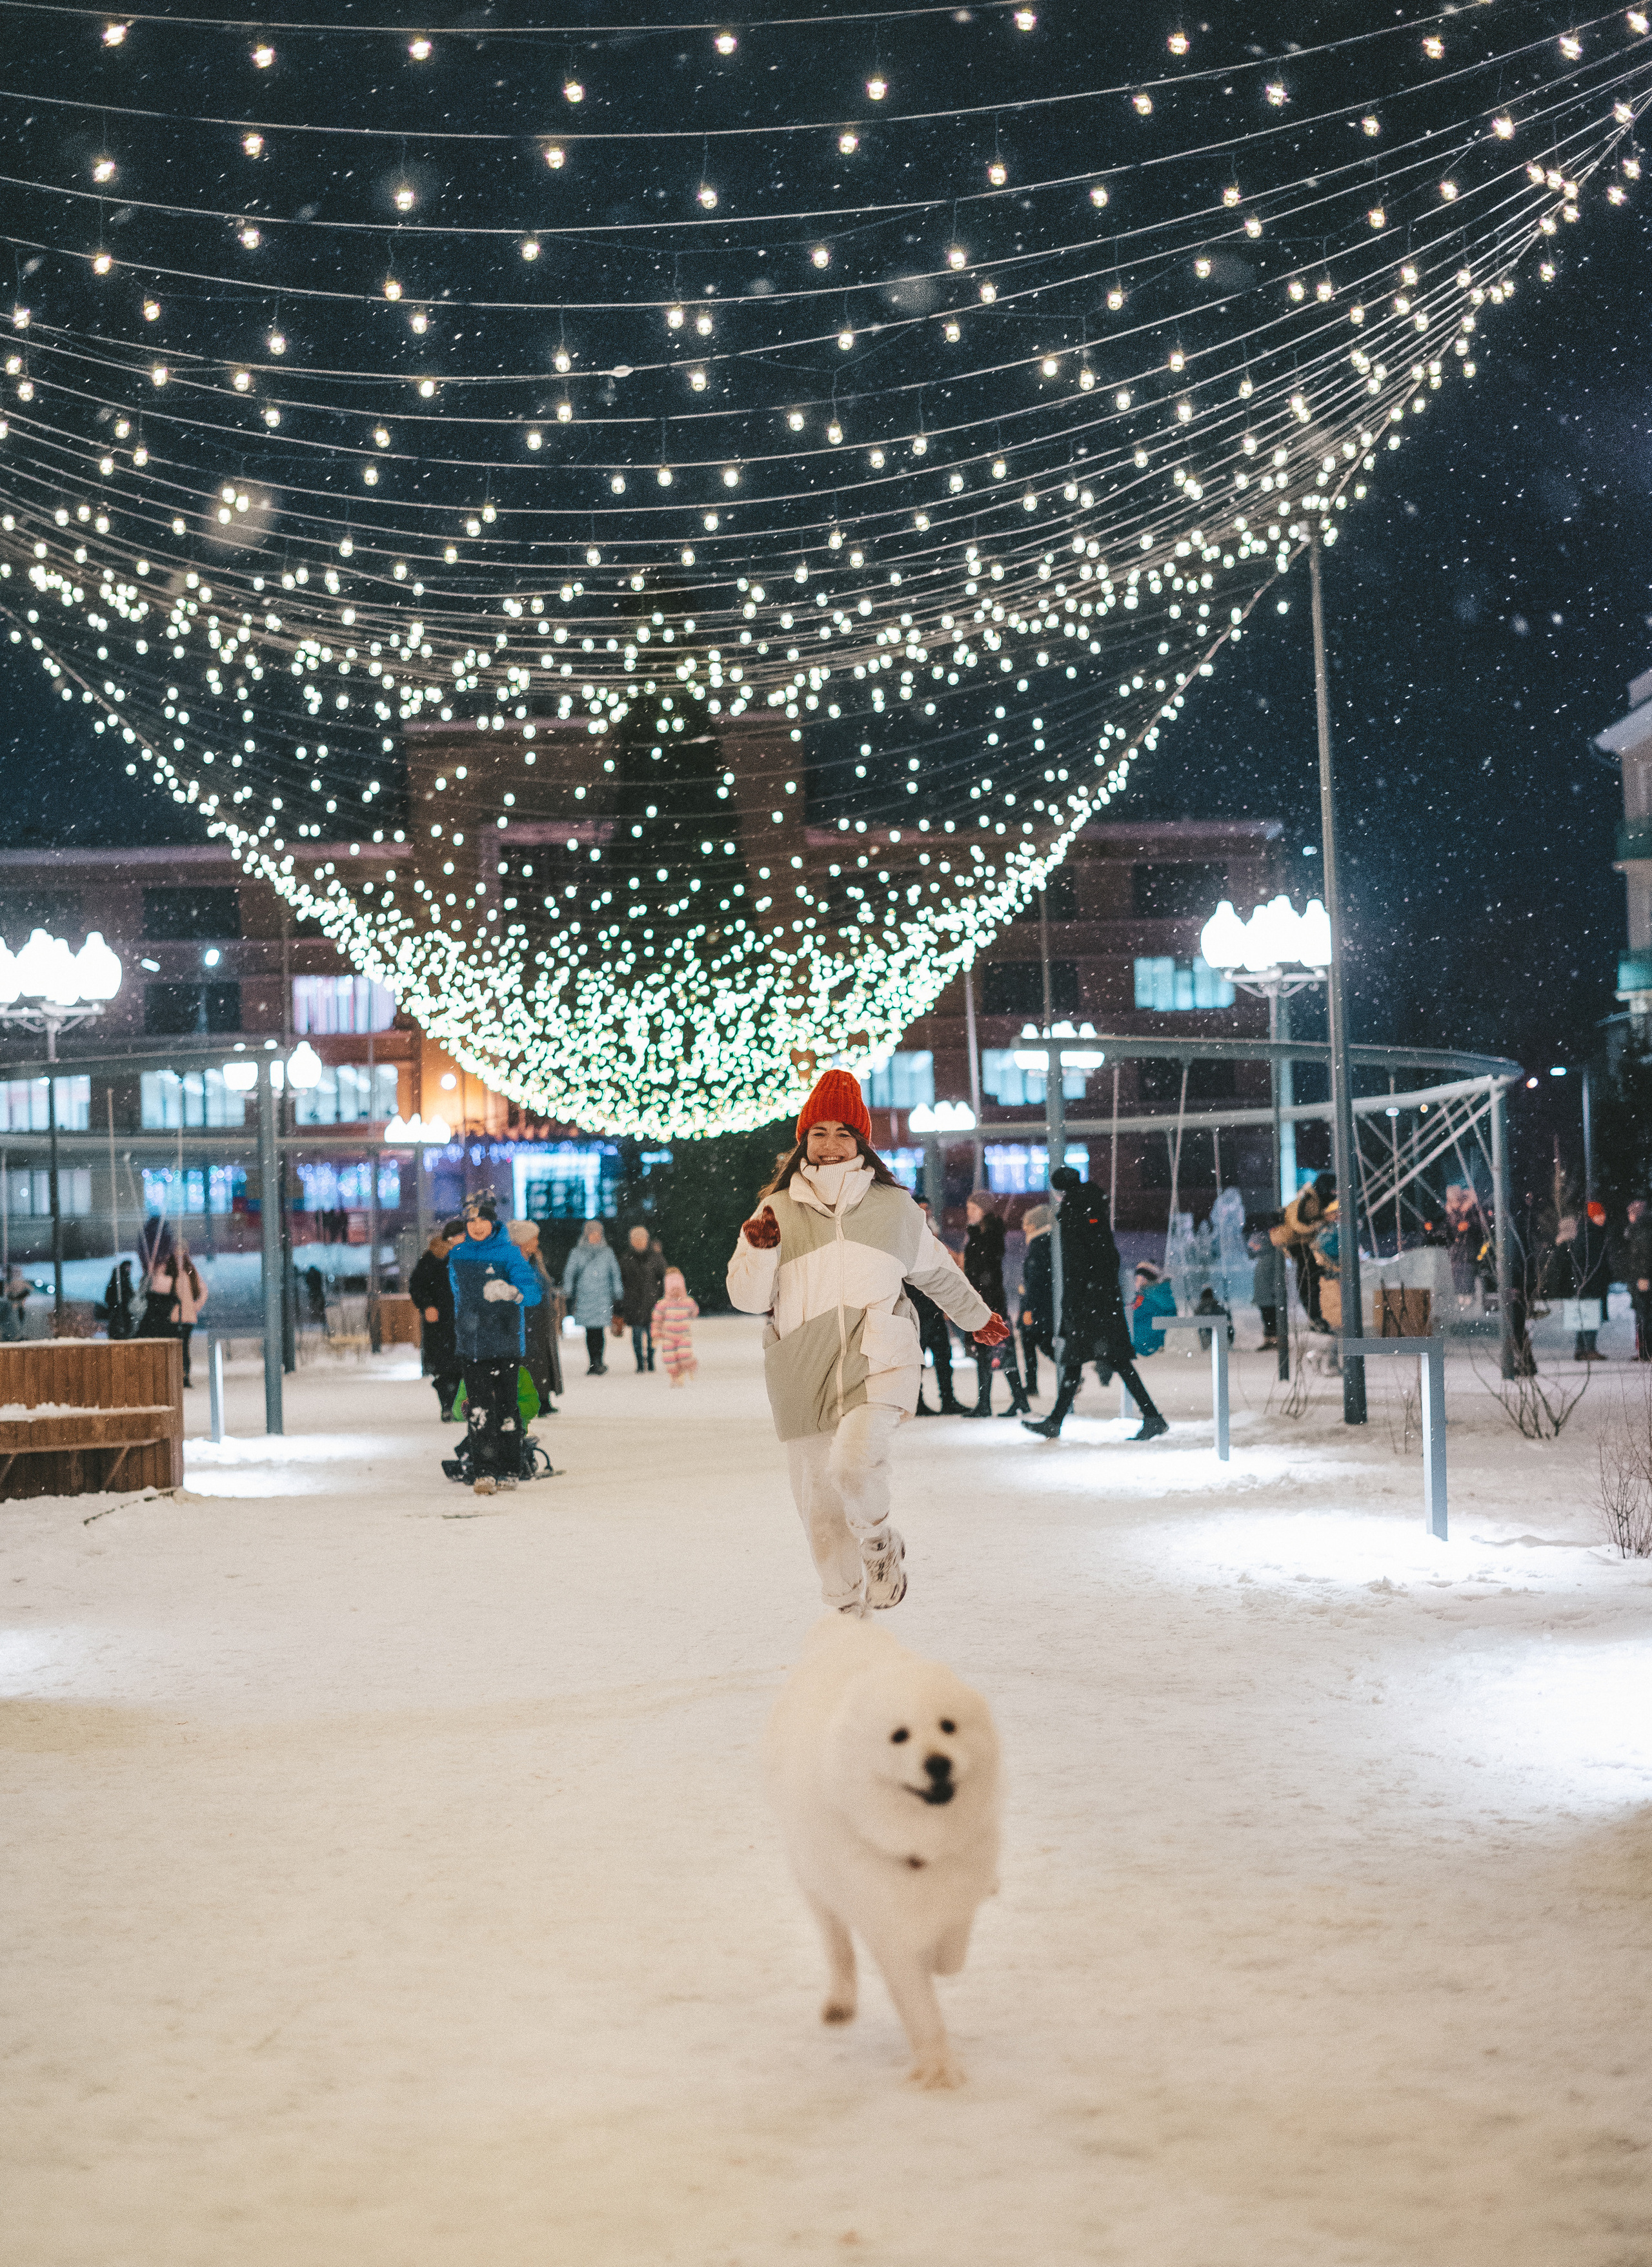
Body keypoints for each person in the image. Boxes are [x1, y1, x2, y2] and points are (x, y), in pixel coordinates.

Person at [727, 1069, 1007, 1614]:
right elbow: (745, 1296)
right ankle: (845, 1619)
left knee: (853, 1466)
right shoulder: (776, 1211)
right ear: (803, 1140)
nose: (830, 1145)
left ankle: (879, 1544)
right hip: (801, 1369)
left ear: (861, 1142)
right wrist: (761, 1251)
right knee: (822, 1517)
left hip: (878, 1356)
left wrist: (976, 1316)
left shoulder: (894, 1208)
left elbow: (937, 1273)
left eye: (843, 1133)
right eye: (820, 1133)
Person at [1023, 1167, 1169, 1442]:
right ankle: (1057, 1421)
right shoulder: (1090, 1207)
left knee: (1102, 1360)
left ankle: (1152, 1417)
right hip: (1100, 1301)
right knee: (1089, 1360)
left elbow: (1079, 1265)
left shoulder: (1075, 1213)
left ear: (1060, 1191)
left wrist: (1074, 1300)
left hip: (1090, 1304)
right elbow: (1105, 1257)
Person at [448, 1192, 545, 1494]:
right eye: (471, 1221)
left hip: (505, 1342)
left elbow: (533, 1292)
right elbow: (457, 1295)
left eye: (482, 1220)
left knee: (506, 1407)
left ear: (493, 1222)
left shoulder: (509, 1254)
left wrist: (513, 1293)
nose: (477, 1226)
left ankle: (509, 1467)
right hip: (471, 1343)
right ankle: (483, 1471)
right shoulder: (458, 1254)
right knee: (478, 1409)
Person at [962, 1190, 1032, 1418]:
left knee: (989, 1350)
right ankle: (1019, 1401)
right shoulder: (981, 1233)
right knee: (1000, 1350)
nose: (969, 1213)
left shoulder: (988, 1234)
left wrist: (982, 1299)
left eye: (973, 1208)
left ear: (984, 1211)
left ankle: (986, 1404)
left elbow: (985, 1267)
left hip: (988, 1301)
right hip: (987, 1299)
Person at [909, 1196, 964, 1416]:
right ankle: (918, 1402)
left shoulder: (932, 1231)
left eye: (927, 1209)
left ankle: (947, 1399)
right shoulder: (912, 1235)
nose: (925, 1213)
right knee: (920, 1356)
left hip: (933, 1303)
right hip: (921, 1303)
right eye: (921, 1209)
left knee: (943, 1353)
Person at [409, 1218, 465, 1419]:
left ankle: (459, 1407)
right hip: (441, 1323)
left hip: (463, 1321)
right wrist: (428, 1306)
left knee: (462, 1368)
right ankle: (448, 1406)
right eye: (462, 1236)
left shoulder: (469, 1258)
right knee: (445, 1368)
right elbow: (417, 1286)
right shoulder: (433, 1259)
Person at [507, 1217, 562, 1413]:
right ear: (522, 1240)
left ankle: (543, 1397)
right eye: (534, 1238)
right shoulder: (512, 1261)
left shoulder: (534, 1259)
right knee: (528, 1359)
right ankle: (531, 1399)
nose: (537, 1242)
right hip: (523, 1316)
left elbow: (544, 1284)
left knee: (543, 1358)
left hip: (540, 1315)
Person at [1271, 1173, 1337, 1332]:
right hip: (1292, 1241)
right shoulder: (1309, 1200)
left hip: (1298, 1242)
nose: (1335, 1194)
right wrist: (1323, 1221)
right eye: (1333, 1190)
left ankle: (1315, 1315)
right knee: (1308, 1278)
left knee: (1310, 1276)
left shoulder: (1315, 1200)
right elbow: (1298, 1225)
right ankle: (1315, 1317)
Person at [562, 1220, 624, 1375]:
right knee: (590, 1331)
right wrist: (568, 1288)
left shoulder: (607, 1252)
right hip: (585, 1296)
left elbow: (614, 1273)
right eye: (592, 1233)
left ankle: (599, 1361)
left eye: (597, 1234)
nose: (595, 1237)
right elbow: (570, 1272)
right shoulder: (577, 1252)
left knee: (600, 1330)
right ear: (587, 1234)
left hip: (603, 1296)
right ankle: (593, 1362)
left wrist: (618, 1290)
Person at [620, 1223, 667, 1374]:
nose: (639, 1242)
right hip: (633, 1303)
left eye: (641, 1239)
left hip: (652, 1303)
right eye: (635, 1239)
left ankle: (651, 1360)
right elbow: (622, 1281)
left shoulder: (656, 1258)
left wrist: (661, 1297)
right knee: (637, 1336)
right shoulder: (626, 1259)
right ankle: (640, 1362)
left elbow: (664, 1278)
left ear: (647, 1240)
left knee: (652, 1335)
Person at [1017, 1203, 1053, 1398]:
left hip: (1037, 1305)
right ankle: (1031, 1384)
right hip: (1042, 1303)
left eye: (1027, 1223)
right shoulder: (1045, 1242)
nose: (1024, 1227)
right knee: (1036, 1342)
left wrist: (1029, 1308)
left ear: (1036, 1224)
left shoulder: (1039, 1245)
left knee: (1036, 1342)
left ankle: (1032, 1385)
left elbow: (1035, 1279)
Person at [652, 1266, 700, 1385]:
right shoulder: (664, 1304)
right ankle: (675, 1376)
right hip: (668, 1336)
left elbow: (694, 1311)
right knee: (670, 1359)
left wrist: (692, 1308)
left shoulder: (687, 1302)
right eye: (673, 1289)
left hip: (683, 1335)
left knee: (685, 1355)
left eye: (678, 1289)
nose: (676, 1292)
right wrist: (656, 1333)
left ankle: (688, 1367)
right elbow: (657, 1319)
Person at [1624, 1197, 1652, 1361]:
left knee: (1644, 1315)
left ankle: (1646, 1351)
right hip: (1639, 1277)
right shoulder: (1639, 1229)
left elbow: (1644, 1255)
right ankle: (1644, 1350)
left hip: (1643, 1279)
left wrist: (1643, 1276)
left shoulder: (1642, 1230)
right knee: (1643, 1314)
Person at [1131, 1261, 1178, 1357]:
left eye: (1139, 1279)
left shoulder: (1155, 1297)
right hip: (1143, 1347)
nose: (1136, 1282)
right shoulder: (1143, 1296)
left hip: (1149, 1348)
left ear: (1146, 1279)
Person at [1249, 1221, 1282, 1348]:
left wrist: (1275, 1292)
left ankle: (1273, 1341)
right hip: (1265, 1296)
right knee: (1268, 1319)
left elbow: (1275, 1277)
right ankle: (1271, 1340)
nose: (1253, 1247)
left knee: (1270, 1320)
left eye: (1255, 1245)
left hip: (1269, 1297)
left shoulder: (1270, 1257)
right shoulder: (1265, 1257)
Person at [102, 1259, 137, 1342]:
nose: (129, 1270)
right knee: (120, 1323)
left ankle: (121, 1335)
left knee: (120, 1323)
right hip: (119, 1306)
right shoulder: (119, 1278)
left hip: (121, 1306)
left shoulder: (122, 1278)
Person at [1193, 1283, 1234, 1352]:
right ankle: (1228, 1343)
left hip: (1206, 1333)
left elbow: (1196, 1316)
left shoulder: (1201, 1307)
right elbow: (1227, 1317)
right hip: (1221, 1332)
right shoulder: (1217, 1305)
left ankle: (1207, 1345)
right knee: (1228, 1328)